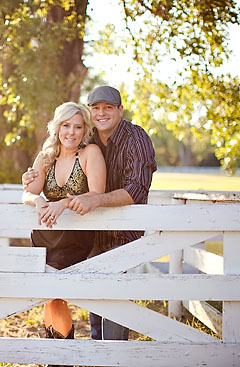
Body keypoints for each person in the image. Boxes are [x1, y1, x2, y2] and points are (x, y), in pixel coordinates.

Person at [22, 86, 157, 341]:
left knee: (111, 296)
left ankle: (111, 355)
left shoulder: (133, 139)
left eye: (108, 108)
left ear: (120, 110)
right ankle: (82, 351)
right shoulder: (87, 140)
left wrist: (76, 202)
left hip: (118, 228)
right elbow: (31, 190)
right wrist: (33, 192)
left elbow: (136, 190)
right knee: (80, 297)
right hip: (77, 232)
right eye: (96, 108)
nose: (102, 113)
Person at [22, 101, 106, 344]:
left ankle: (62, 356)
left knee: (56, 293)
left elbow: (96, 193)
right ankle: (55, 352)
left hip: (75, 236)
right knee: (49, 295)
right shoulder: (46, 156)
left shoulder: (91, 153)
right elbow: (27, 193)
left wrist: (64, 204)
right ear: (57, 127)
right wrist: (37, 201)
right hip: (45, 234)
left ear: (85, 130)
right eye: (66, 125)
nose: (71, 132)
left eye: (78, 127)